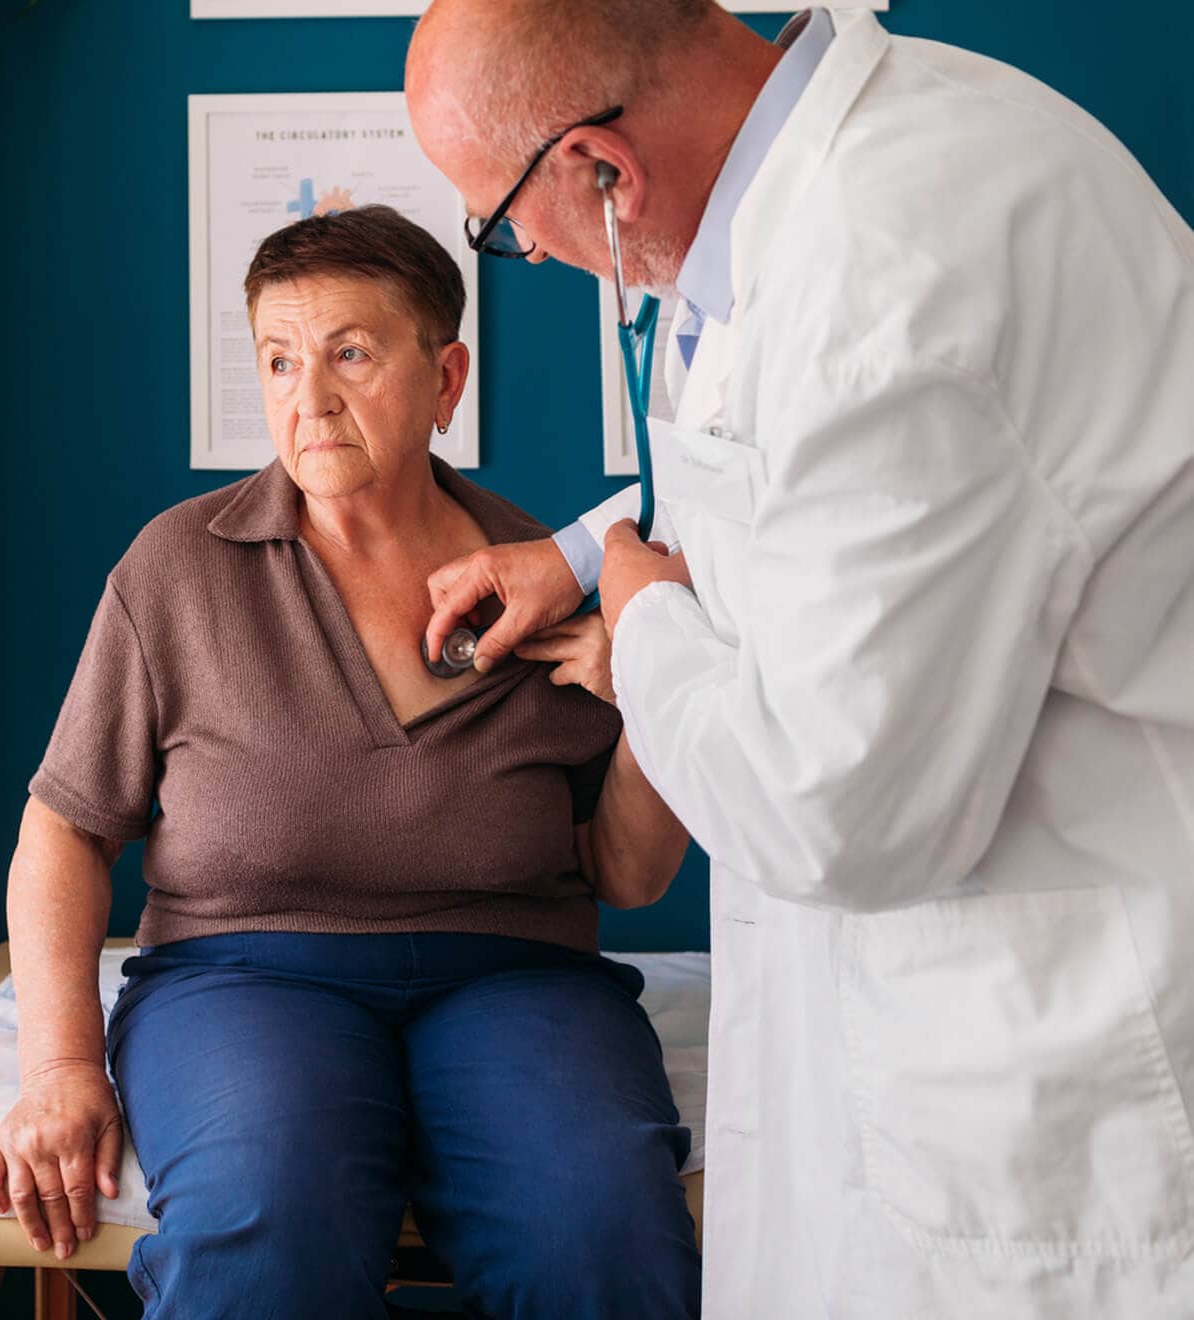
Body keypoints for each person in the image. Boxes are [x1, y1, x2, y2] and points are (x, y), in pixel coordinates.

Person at [404, 1, 1194, 1314]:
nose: (527, 259)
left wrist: (643, 620)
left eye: (499, 221)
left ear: (602, 168)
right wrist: (594, 550)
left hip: (1049, 1047)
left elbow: (833, 812)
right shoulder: (852, 168)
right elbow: (809, 489)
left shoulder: (892, 266)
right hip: (951, 996)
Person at [0, 204, 700, 1318]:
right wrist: (61, 1071)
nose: (306, 398)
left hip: (517, 980)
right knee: (268, 1230)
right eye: (279, 359)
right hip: (242, 979)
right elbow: (65, 829)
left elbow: (630, 874)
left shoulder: (548, 578)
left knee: (601, 1230)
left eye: (351, 354)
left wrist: (643, 683)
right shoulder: (178, 569)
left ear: (446, 378)